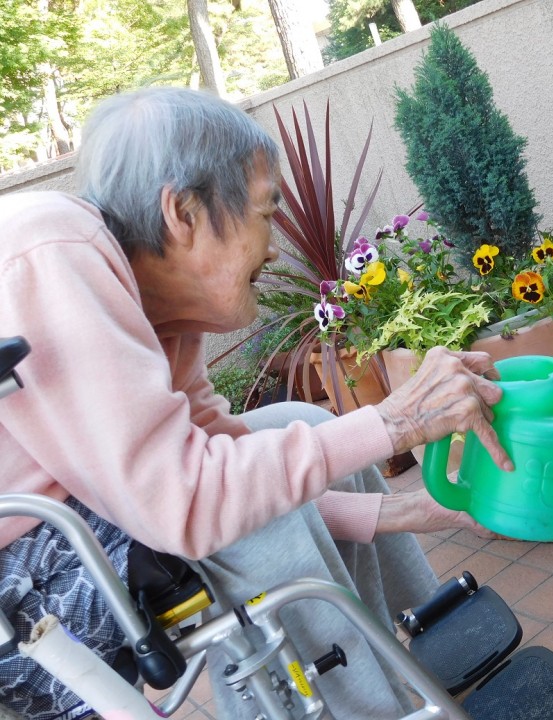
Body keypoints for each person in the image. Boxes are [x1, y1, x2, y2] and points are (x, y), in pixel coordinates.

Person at [0, 86, 513, 719]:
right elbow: (190, 502)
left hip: (72, 531)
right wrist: (396, 421)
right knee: (244, 512)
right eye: (266, 211)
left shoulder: (154, 299)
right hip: (20, 590)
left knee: (297, 424)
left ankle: (424, 648)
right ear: (183, 213)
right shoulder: (50, 252)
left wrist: (414, 508)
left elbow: (238, 465)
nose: (275, 246)